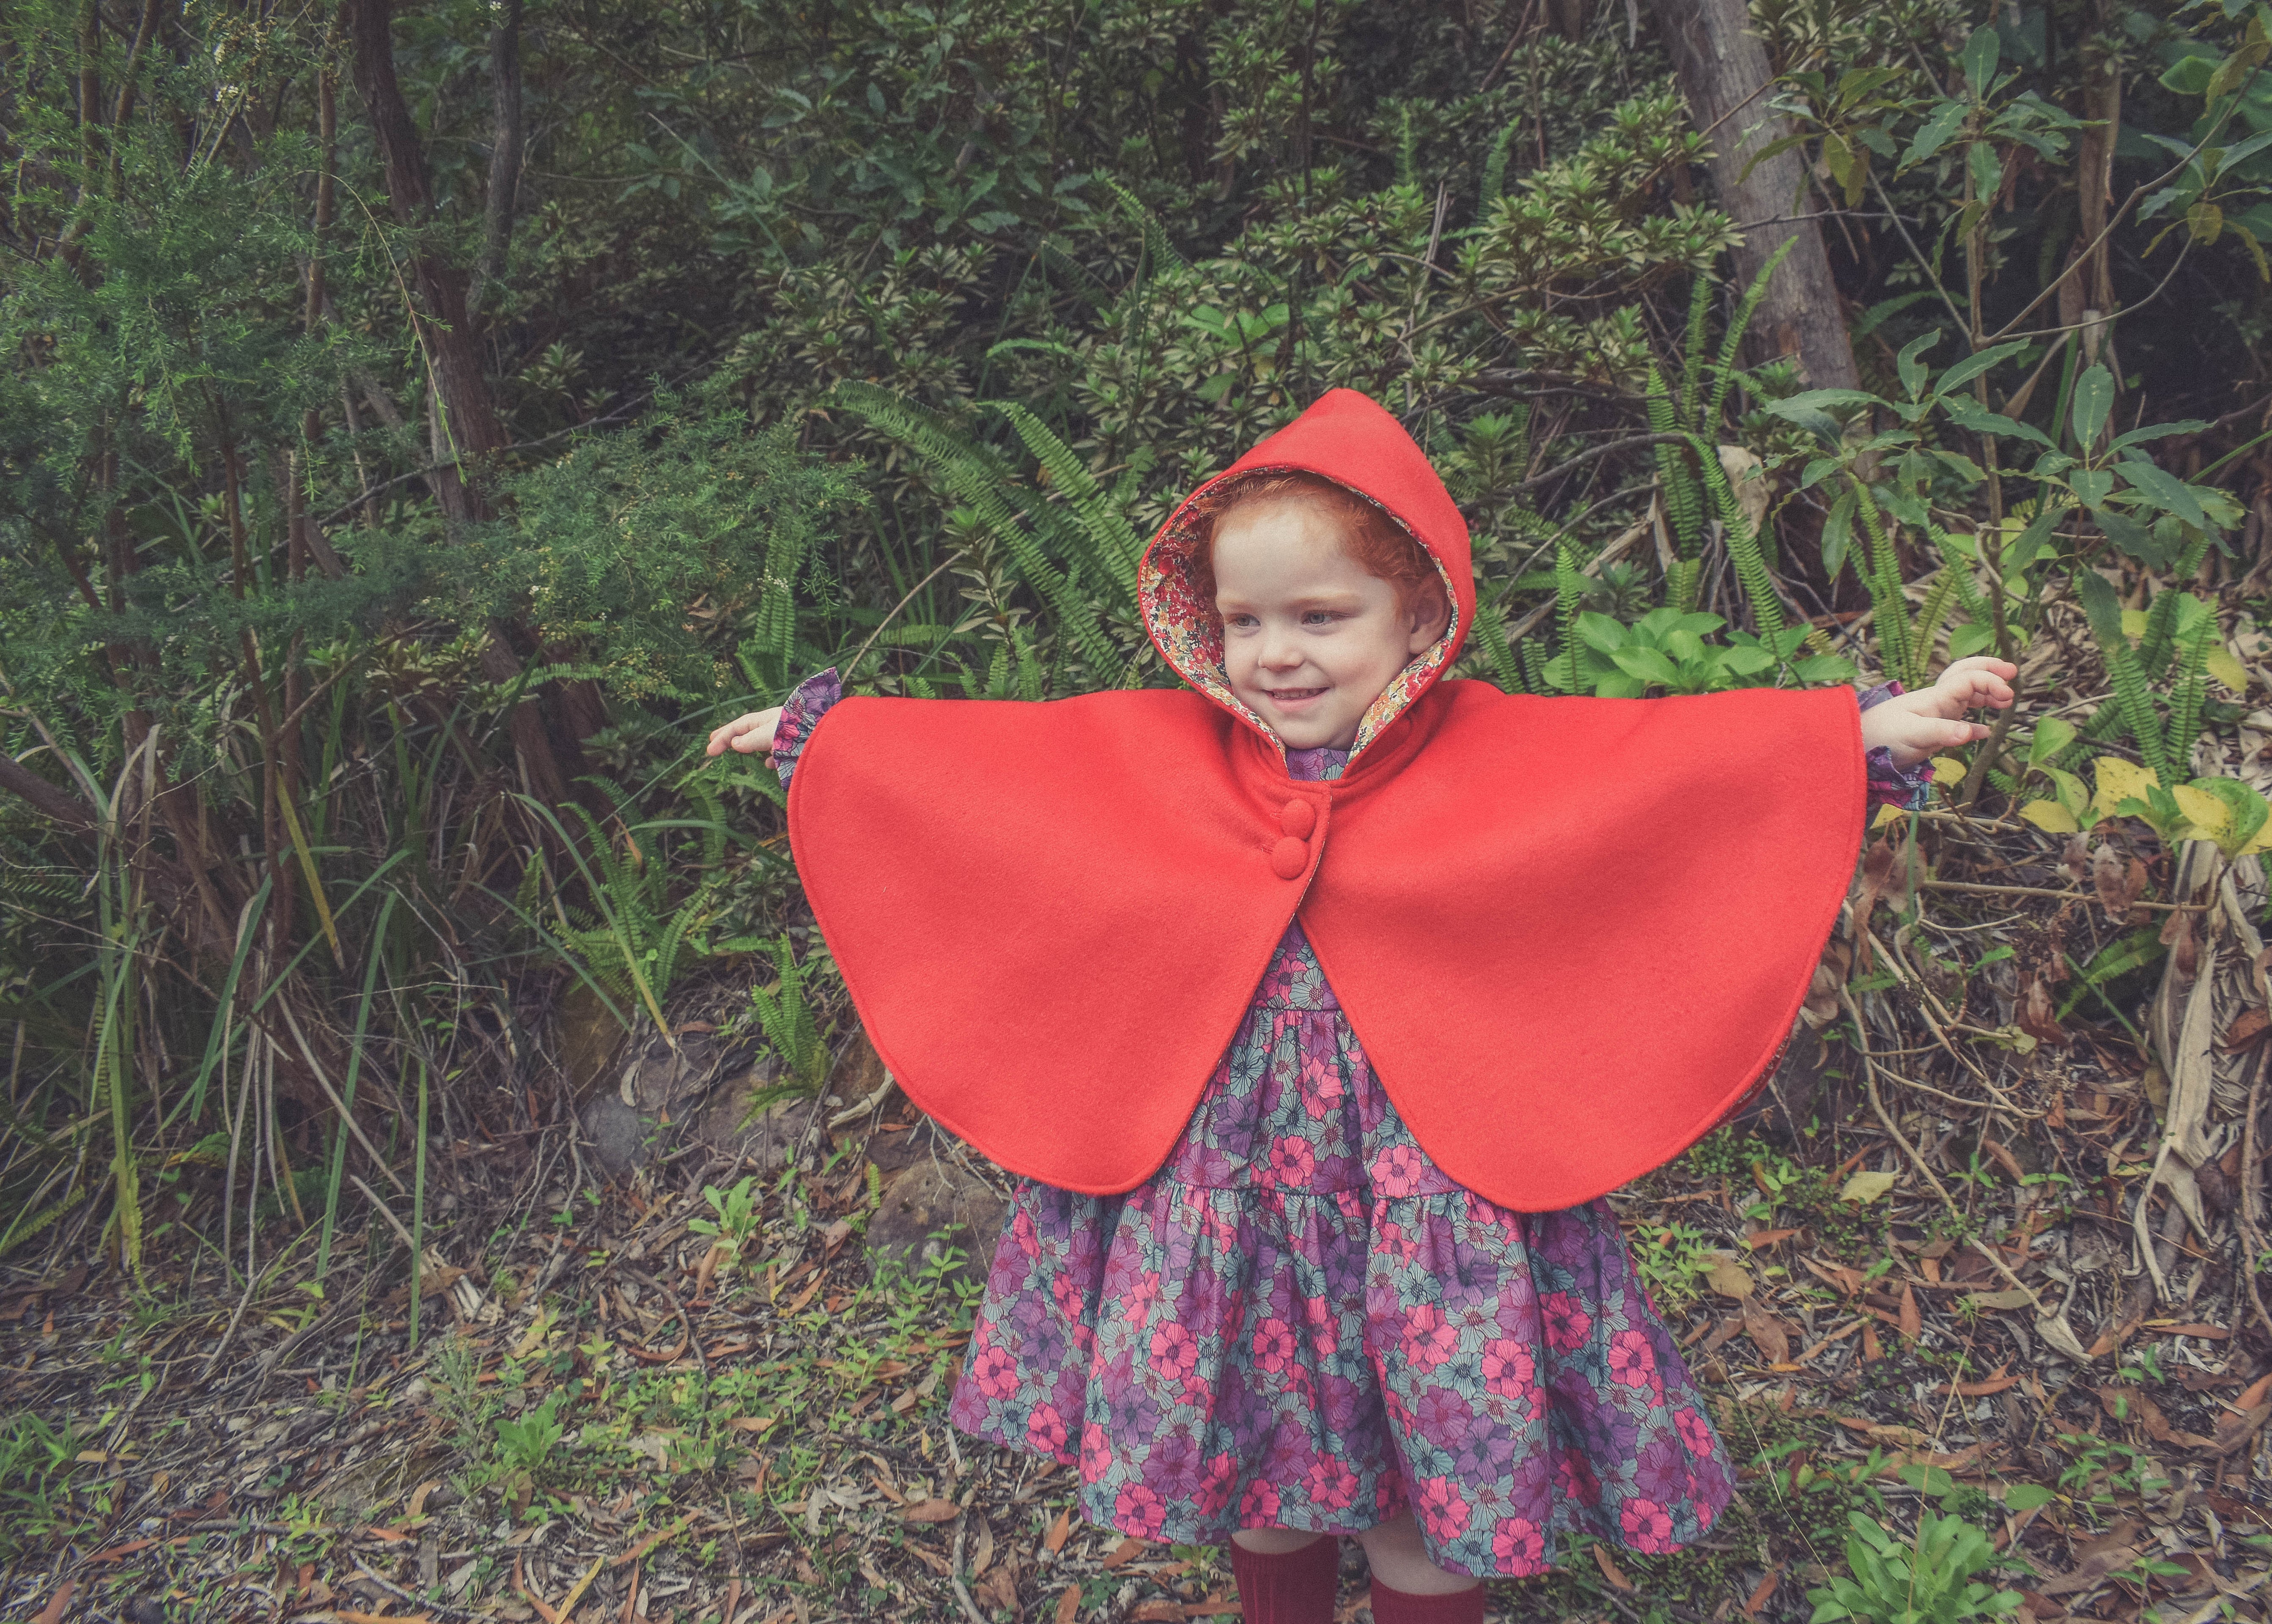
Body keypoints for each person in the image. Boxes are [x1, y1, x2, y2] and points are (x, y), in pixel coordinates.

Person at [707, 390, 2013, 1624]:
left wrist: (1869, 733)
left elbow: (1668, 773)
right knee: (1260, 1483)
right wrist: (833, 747)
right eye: (1246, 622)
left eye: (1322, 618)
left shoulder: (1496, 751)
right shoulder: (1159, 757)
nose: (1276, 655)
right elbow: (993, 784)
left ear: (1415, 617)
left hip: (1432, 1204)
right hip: (1219, 1193)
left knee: (1423, 1503)